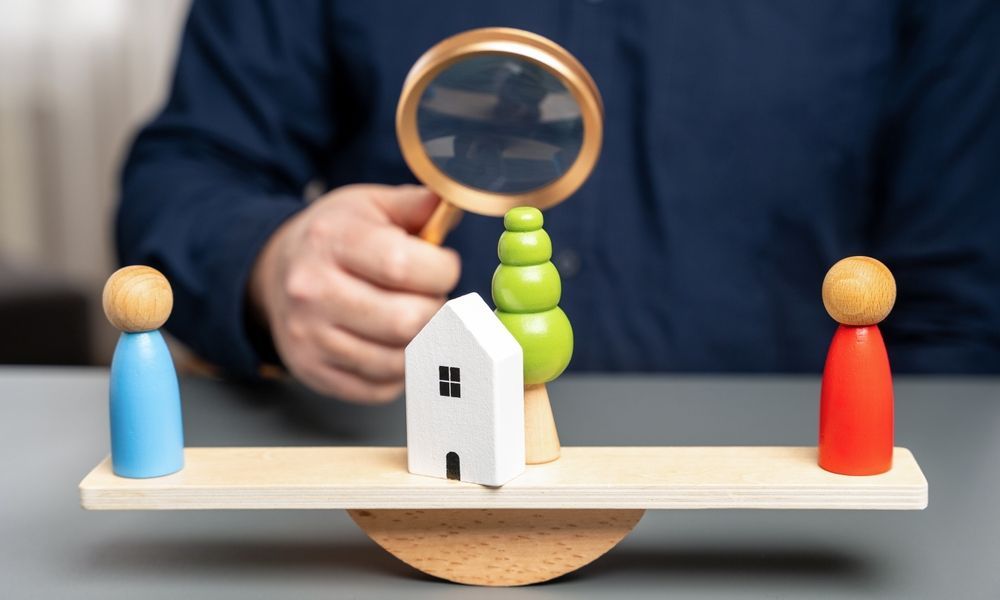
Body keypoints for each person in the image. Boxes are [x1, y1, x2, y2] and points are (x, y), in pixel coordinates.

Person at [117, 0, 1000, 403]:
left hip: (779, 519)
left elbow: (961, 306)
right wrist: (272, 266)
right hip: (401, 501)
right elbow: (185, 173)